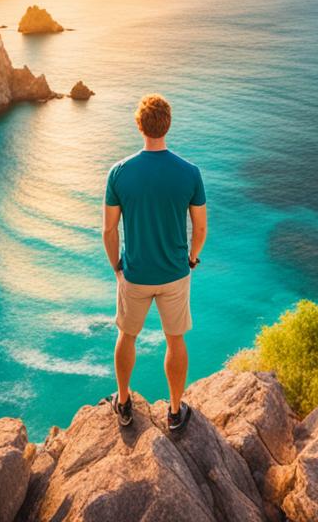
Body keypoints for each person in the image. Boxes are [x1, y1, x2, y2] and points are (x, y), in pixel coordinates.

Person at [102, 94, 207, 432]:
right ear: (168, 124)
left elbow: (109, 228)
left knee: (126, 336)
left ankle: (123, 402)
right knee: (175, 340)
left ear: (139, 125)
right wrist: (192, 258)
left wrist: (117, 267)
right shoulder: (190, 173)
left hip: (134, 274)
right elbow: (201, 227)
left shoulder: (118, 173)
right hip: (175, 273)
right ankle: (175, 412)